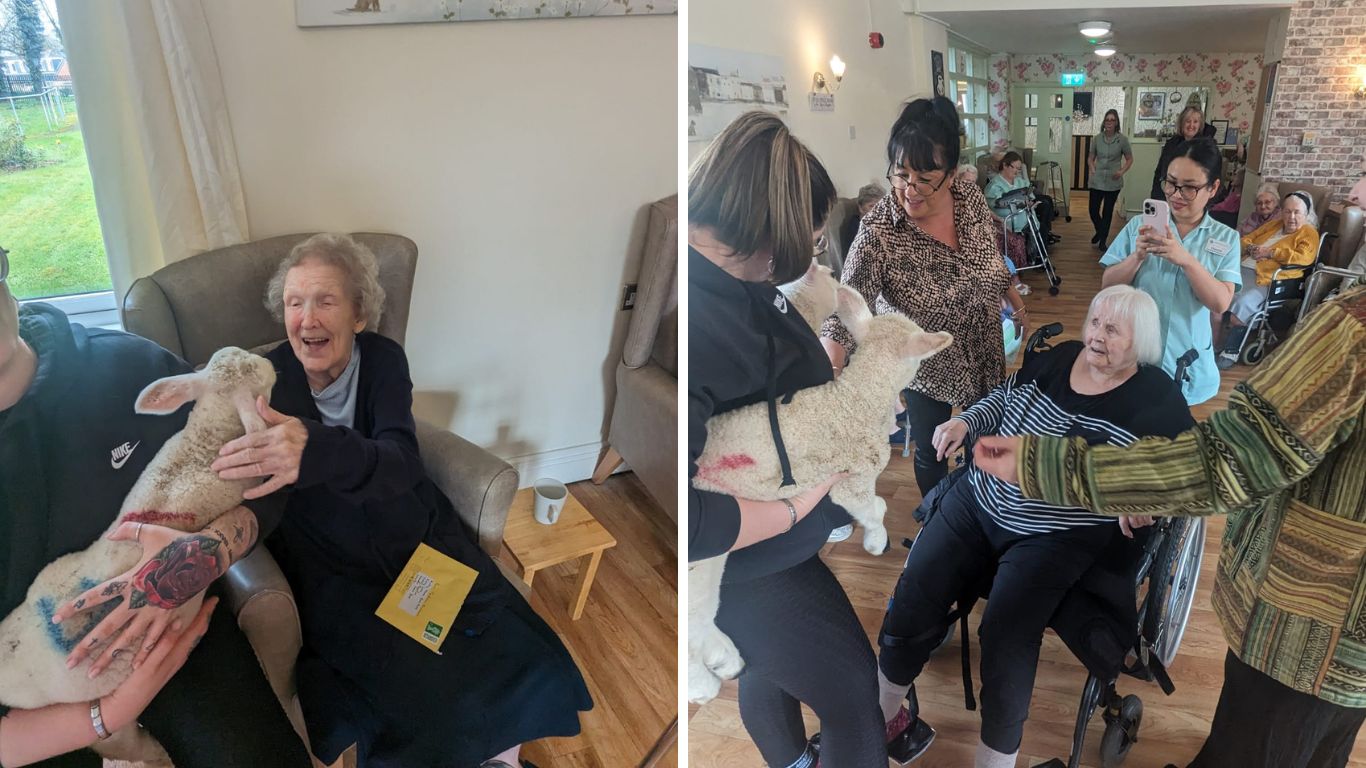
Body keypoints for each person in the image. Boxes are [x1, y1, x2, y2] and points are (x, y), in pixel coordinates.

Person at [209, 234, 591, 768]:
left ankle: (502, 763)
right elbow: (258, 489)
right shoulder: (265, 385)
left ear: (359, 313)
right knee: (420, 694)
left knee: (519, 659)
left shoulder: (384, 360)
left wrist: (316, 448)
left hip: (414, 535)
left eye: (325, 300)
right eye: (295, 303)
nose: (306, 318)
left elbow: (401, 460)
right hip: (333, 564)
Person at [972, 284, 1366, 768]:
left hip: (1311, 623)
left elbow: (1226, 462)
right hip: (1350, 646)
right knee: (1322, 745)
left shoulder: (1353, 328)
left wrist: (1046, 466)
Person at [0, 248, 309, 768]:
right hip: (24, 691)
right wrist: (109, 714)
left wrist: (203, 552)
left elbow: (260, 474)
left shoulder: (126, 368)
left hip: (171, 635)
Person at [876, 285, 1193, 767]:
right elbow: (1003, 398)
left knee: (1006, 637)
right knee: (917, 586)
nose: (1096, 335)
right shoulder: (1061, 356)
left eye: (1112, 328)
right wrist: (967, 424)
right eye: (1094, 322)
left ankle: (995, 760)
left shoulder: (1155, 398)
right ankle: (879, 717)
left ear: (1141, 342)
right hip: (982, 496)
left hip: (1055, 532)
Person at [689, 111, 886, 768]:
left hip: (779, 553)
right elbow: (690, 521)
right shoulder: (697, 317)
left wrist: (830, 349)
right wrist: (796, 508)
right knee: (856, 696)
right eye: (808, 232)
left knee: (766, 671)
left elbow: (768, 385)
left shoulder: (736, 278)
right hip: (748, 571)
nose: (813, 245)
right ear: (770, 228)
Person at [823, 97, 1026, 498]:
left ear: (950, 174)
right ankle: (936, 519)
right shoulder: (878, 231)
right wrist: (829, 358)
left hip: (982, 342)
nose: (909, 190)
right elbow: (848, 303)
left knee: (981, 436)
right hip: (924, 362)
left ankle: (978, 505)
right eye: (900, 175)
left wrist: (1013, 299)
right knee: (932, 451)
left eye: (924, 177)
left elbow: (989, 257)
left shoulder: (969, 201)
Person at [1100, 138, 1240, 405]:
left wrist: (1186, 260)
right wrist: (1137, 257)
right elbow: (1107, 286)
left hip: (1187, 359)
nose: (1176, 194)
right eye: (1171, 183)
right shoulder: (1138, 227)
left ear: (1213, 188)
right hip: (1135, 354)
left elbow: (1220, 303)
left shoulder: (1227, 238)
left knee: (1172, 433)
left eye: (1189, 188)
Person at [1216, 191, 1319, 368]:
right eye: (1287, 211)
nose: (1291, 217)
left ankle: (1231, 352)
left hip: (1269, 279)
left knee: (1240, 304)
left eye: (1297, 212)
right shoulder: (1274, 225)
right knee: (1214, 294)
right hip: (1241, 268)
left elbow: (1304, 258)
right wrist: (1251, 248)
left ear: (1306, 214)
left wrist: (1270, 252)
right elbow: (1245, 239)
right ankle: (1213, 343)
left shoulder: (1309, 233)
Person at [1088, 109, 1134, 249]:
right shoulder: (1096, 139)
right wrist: (1092, 168)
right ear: (1104, 122)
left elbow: (1130, 159)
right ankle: (1100, 231)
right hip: (1097, 180)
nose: (1109, 122)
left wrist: (1121, 172)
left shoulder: (1122, 140)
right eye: (1107, 119)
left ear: (1116, 123)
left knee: (1107, 212)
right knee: (1093, 210)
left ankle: (1103, 241)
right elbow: (1091, 158)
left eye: (1112, 120)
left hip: (1113, 182)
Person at [1150, 105, 1214, 201]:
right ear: (1182, 123)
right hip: (1168, 192)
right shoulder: (1171, 144)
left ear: (1200, 125)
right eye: (1188, 121)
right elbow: (1160, 171)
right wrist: (1156, 196)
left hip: (1192, 196)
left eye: (1195, 122)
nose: (1191, 125)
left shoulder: (1205, 146)